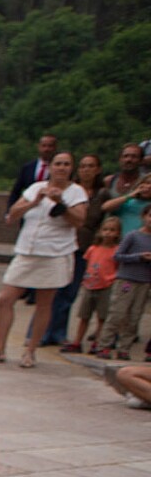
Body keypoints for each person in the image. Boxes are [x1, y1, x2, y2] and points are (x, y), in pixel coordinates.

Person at [0, 151, 87, 368]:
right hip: (28, 249)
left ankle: (31, 350)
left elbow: (79, 221)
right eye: (58, 164)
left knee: (44, 303)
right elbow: (14, 213)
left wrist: (61, 203)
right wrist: (36, 201)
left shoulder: (77, 192)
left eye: (66, 164)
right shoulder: (36, 187)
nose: (62, 168)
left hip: (54, 252)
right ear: (51, 167)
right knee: (5, 298)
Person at [46, 154, 110, 345]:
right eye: (82, 166)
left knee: (70, 293)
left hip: (86, 245)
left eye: (90, 166)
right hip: (62, 242)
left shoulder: (102, 193)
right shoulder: (69, 189)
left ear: (98, 169)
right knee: (52, 290)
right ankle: (44, 331)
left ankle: (58, 332)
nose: (86, 170)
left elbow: (104, 220)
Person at [100, 208, 151, 361]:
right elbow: (117, 256)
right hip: (127, 280)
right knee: (117, 314)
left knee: (134, 317)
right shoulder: (133, 236)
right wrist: (139, 257)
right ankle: (105, 345)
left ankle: (124, 348)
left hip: (145, 283)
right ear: (144, 216)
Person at [74, 215, 123, 353]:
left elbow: (118, 268)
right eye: (105, 229)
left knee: (102, 317)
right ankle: (77, 342)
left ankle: (97, 342)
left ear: (118, 233)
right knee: (84, 316)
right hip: (90, 285)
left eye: (112, 230)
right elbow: (88, 264)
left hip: (106, 286)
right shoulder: (93, 248)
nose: (108, 233)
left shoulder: (117, 250)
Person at [99, 142, 150, 237]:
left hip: (140, 236)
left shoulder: (146, 182)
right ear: (120, 159)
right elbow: (103, 208)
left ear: (141, 160)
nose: (129, 159)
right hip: (111, 237)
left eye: (134, 157)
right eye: (125, 156)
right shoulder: (109, 181)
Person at [9, 133, 59, 215]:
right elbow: (16, 190)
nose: (46, 149)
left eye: (50, 146)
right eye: (44, 146)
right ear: (39, 147)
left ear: (55, 148)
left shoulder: (60, 169)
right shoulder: (27, 167)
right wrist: (10, 210)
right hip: (27, 210)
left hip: (49, 211)